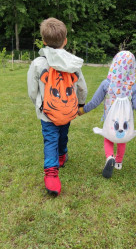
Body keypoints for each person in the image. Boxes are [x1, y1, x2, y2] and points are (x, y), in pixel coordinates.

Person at [27, 17, 87, 196]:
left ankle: (52, 175)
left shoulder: (38, 63)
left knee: (50, 139)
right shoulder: (73, 62)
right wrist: (81, 103)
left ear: (44, 41)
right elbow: (81, 86)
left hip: (47, 112)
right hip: (67, 110)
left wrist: (38, 104)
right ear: (65, 41)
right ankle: (62, 155)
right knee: (62, 134)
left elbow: (32, 89)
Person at [78, 50, 136, 178]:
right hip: (125, 120)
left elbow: (95, 101)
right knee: (122, 137)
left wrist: (83, 110)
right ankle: (118, 162)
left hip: (110, 119)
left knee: (109, 137)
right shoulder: (133, 86)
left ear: (114, 64)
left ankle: (109, 157)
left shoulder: (107, 84)